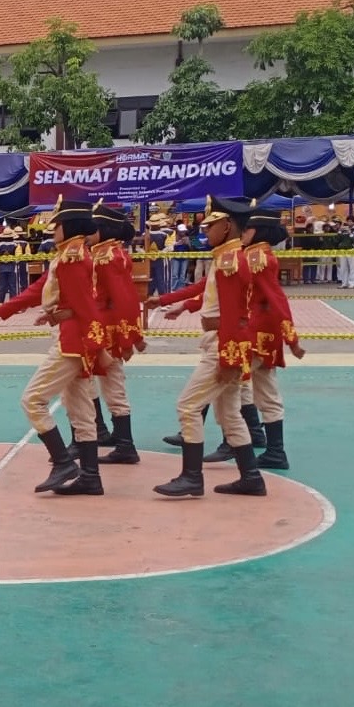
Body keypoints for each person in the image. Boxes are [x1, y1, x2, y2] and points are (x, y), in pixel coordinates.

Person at [149, 196, 261, 498]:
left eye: (211, 226)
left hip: (224, 344)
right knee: (230, 415)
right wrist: (173, 302)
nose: (205, 231)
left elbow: (236, 316)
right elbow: (207, 291)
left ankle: (191, 476)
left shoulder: (230, 260)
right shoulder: (226, 257)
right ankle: (251, 477)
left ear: (227, 226)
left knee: (188, 406)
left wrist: (229, 358)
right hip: (225, 342)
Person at [11, 198, 109, 497]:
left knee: (32, 400)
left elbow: (86, 305)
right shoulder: (71, 253)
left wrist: (95, 343)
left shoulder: (72, 257)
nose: (52, 231)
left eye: (57, 226)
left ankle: (64, 462)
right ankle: (90, 477)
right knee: (81, 412)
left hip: (73, 341)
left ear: (69, 226)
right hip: (77, 338)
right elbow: (53, 294)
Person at [234, 208, 305, 470]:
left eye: (246, 229)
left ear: (257, 231)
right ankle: (274, 449)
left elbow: (276, 299)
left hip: (253, 333)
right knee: (266, 391)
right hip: (266, 333)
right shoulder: (261, 255)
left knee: (222, 382)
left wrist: (292, 338)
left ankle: (233, 440)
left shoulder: (256, 258)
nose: (243, 233)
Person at [92, 203, 145, 465]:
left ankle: (124, 444)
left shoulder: (107, 257)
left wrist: (128, 338)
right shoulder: (106, 253)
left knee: (111, 385)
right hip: (103, 329)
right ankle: (109, 433)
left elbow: (124, 299)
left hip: (107, 332)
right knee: (94, 383)